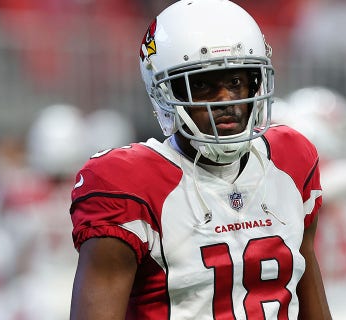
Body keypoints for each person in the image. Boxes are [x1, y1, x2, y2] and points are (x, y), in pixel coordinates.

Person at [68, 1, 332, 319]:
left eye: (235, 82)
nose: (225, 101)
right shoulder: (127, 184)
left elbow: (308, 289)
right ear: (166, 94)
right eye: (202, 85)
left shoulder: (292, 159)